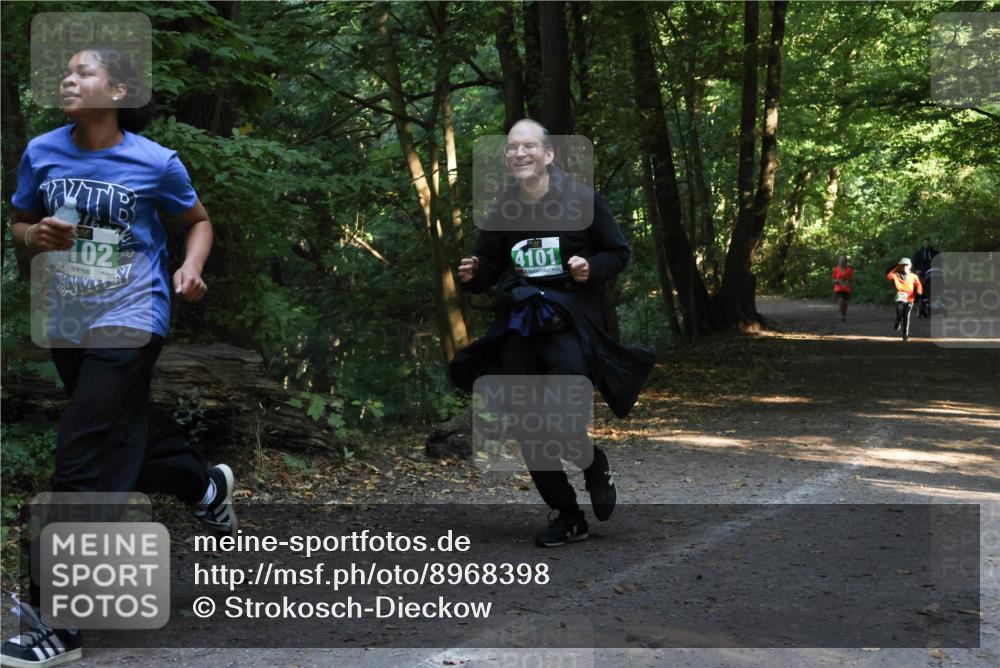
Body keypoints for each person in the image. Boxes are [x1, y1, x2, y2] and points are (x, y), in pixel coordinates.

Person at [2, 47, 236, 668]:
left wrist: (190, 265)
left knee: (81, 454)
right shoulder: (42, 151)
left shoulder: (155, 161)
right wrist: (35, 236)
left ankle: (56, 622)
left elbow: (199, 220)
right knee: (126, 429)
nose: (68, 78)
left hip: (134, 315)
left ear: (121, 89)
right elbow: (20, 223)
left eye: (84, 71)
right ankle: (204, 485)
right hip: (69, 318)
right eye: (66, 71)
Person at [451, 119, 654, 548]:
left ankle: (593, 463)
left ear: (548, 154)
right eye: (511, 149)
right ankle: (567, 515)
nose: (519, 154)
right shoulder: (502, 208)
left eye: (528, 147)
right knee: (528, 427)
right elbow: (487, 267)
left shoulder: (583, 200)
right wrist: (472, 274)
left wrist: (589, 268)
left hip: (569, 324)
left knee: (560, 420)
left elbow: (618, 252)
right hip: (519, 327)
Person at [887, 257, 923, 342]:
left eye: (906, 265)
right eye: (903, 265)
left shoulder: (913, 276)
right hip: (901, 296)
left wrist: (919, 291)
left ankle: (905, 335)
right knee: (899, 314)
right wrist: (897, 266)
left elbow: (918, 284)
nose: (904, 267)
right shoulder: (896, 274)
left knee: (906, 317)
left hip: (910, 297)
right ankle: (898, 321)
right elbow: (889, 276)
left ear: (910, 266)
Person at [831, 255, 854, 322]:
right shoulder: (836, 269)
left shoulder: (849, 269)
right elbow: (833, 280)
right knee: (841, 302)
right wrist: (837, 280)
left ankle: (844, 313)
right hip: (839, 288)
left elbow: (852, 279)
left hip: (847, 288)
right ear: (839, 261)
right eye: (840, 259)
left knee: (846, 305)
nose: (842, 261)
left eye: (843, 260)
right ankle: (842, 316)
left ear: (846, 261)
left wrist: (849, 282)